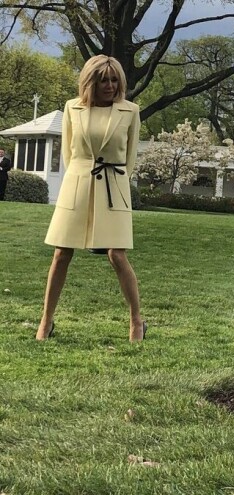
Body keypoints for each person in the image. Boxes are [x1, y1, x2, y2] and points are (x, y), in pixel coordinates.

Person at [36, 55, 146, 342]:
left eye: (114, 80)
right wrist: (78, 178)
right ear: (90, 82)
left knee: (117, 255)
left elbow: (131, 157)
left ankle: (136, 321)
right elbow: (70, 153)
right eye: (103, 80)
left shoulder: (130, 111)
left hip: (114, 185)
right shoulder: (73, 108)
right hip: (78, 183)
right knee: (61, 254)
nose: (109, 86)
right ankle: (46, 321)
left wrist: (118, 182)